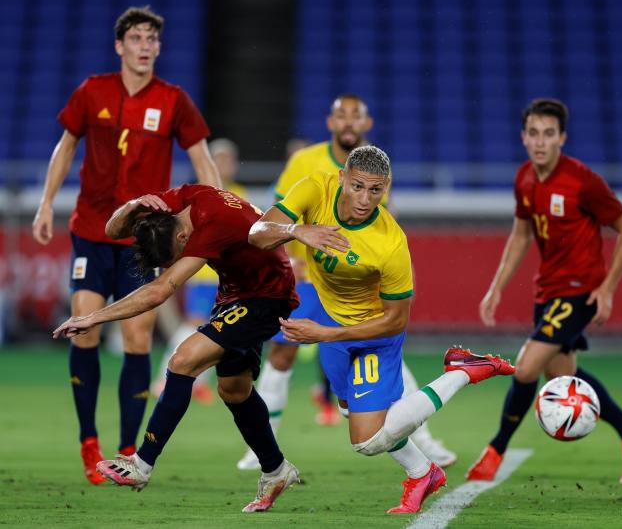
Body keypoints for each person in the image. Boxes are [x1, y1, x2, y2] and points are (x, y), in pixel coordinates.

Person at [248, 145, 515, 514]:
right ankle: (423, 473)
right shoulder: (315, 188)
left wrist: (325, 335)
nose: (364, 199)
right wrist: (298, 231)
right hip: (332, 321)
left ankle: (461, 373)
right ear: (342, 177)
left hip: (374, 333)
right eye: (357, 186)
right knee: (347, 411)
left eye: (376, 190)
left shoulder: (390, 242)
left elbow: (396, 320)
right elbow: (257, 233)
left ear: (386, 188)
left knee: (367, 441)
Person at [31, 6, 221, 485]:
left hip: (144, 242)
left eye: (151, 39)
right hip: (91, 232)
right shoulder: (91, 92)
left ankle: (125, 450)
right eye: (135, 37)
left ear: (158, 47)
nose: (144, 45)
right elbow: (65, 146)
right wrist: (45, 202)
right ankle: (88, 439)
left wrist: (216, 211)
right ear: (120, 45)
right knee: (85, 330)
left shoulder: (173, 100)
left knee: (138, 339)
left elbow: (202, 157)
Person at [237, 94, 457, 470]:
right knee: (284, 351)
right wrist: (297, 238)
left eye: (357, 117)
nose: (350, 123)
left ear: (367, 125)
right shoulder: (307, 167)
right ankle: (261, 447)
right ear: (331, 122)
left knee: (381, 353)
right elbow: (267, 223)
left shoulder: (375, 176)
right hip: (305, 278)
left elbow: (383, 233)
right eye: (343, 116)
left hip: (355, 284)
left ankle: (424, 442)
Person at [53, 184, 300, 512]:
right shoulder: (181, 199)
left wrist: (94, 317)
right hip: (236, 293)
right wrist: (132, 203)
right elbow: (112, 232)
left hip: (267, 296)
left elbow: (159, 291)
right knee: (234, 390)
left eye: (173, 259)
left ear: (183, 239)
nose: (175, 263)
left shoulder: (211, 226)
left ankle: (142, 463)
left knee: (183, 360)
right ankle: (276, 469)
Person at [466, 99, 622, 484]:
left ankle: (494, 451)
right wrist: (497, 286)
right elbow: (521, 235)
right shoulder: (524, 179)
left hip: (579, 292)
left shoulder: (583, 181)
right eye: (533, 133)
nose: (540, 142)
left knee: (526, 368)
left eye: (548, 134)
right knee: (563, 374)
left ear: (562, 138)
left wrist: (607, 289)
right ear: (523, 138)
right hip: (547, 293)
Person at [151, 138, 249, 403]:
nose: (224, 165)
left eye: (228, 160)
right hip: (204, 274)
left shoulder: (240, 193)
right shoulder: (197, 197)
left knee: (217, 329)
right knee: (195, 324)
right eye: (218, 160)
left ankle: (197, 381)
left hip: (229, 276)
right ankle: (163, 379)